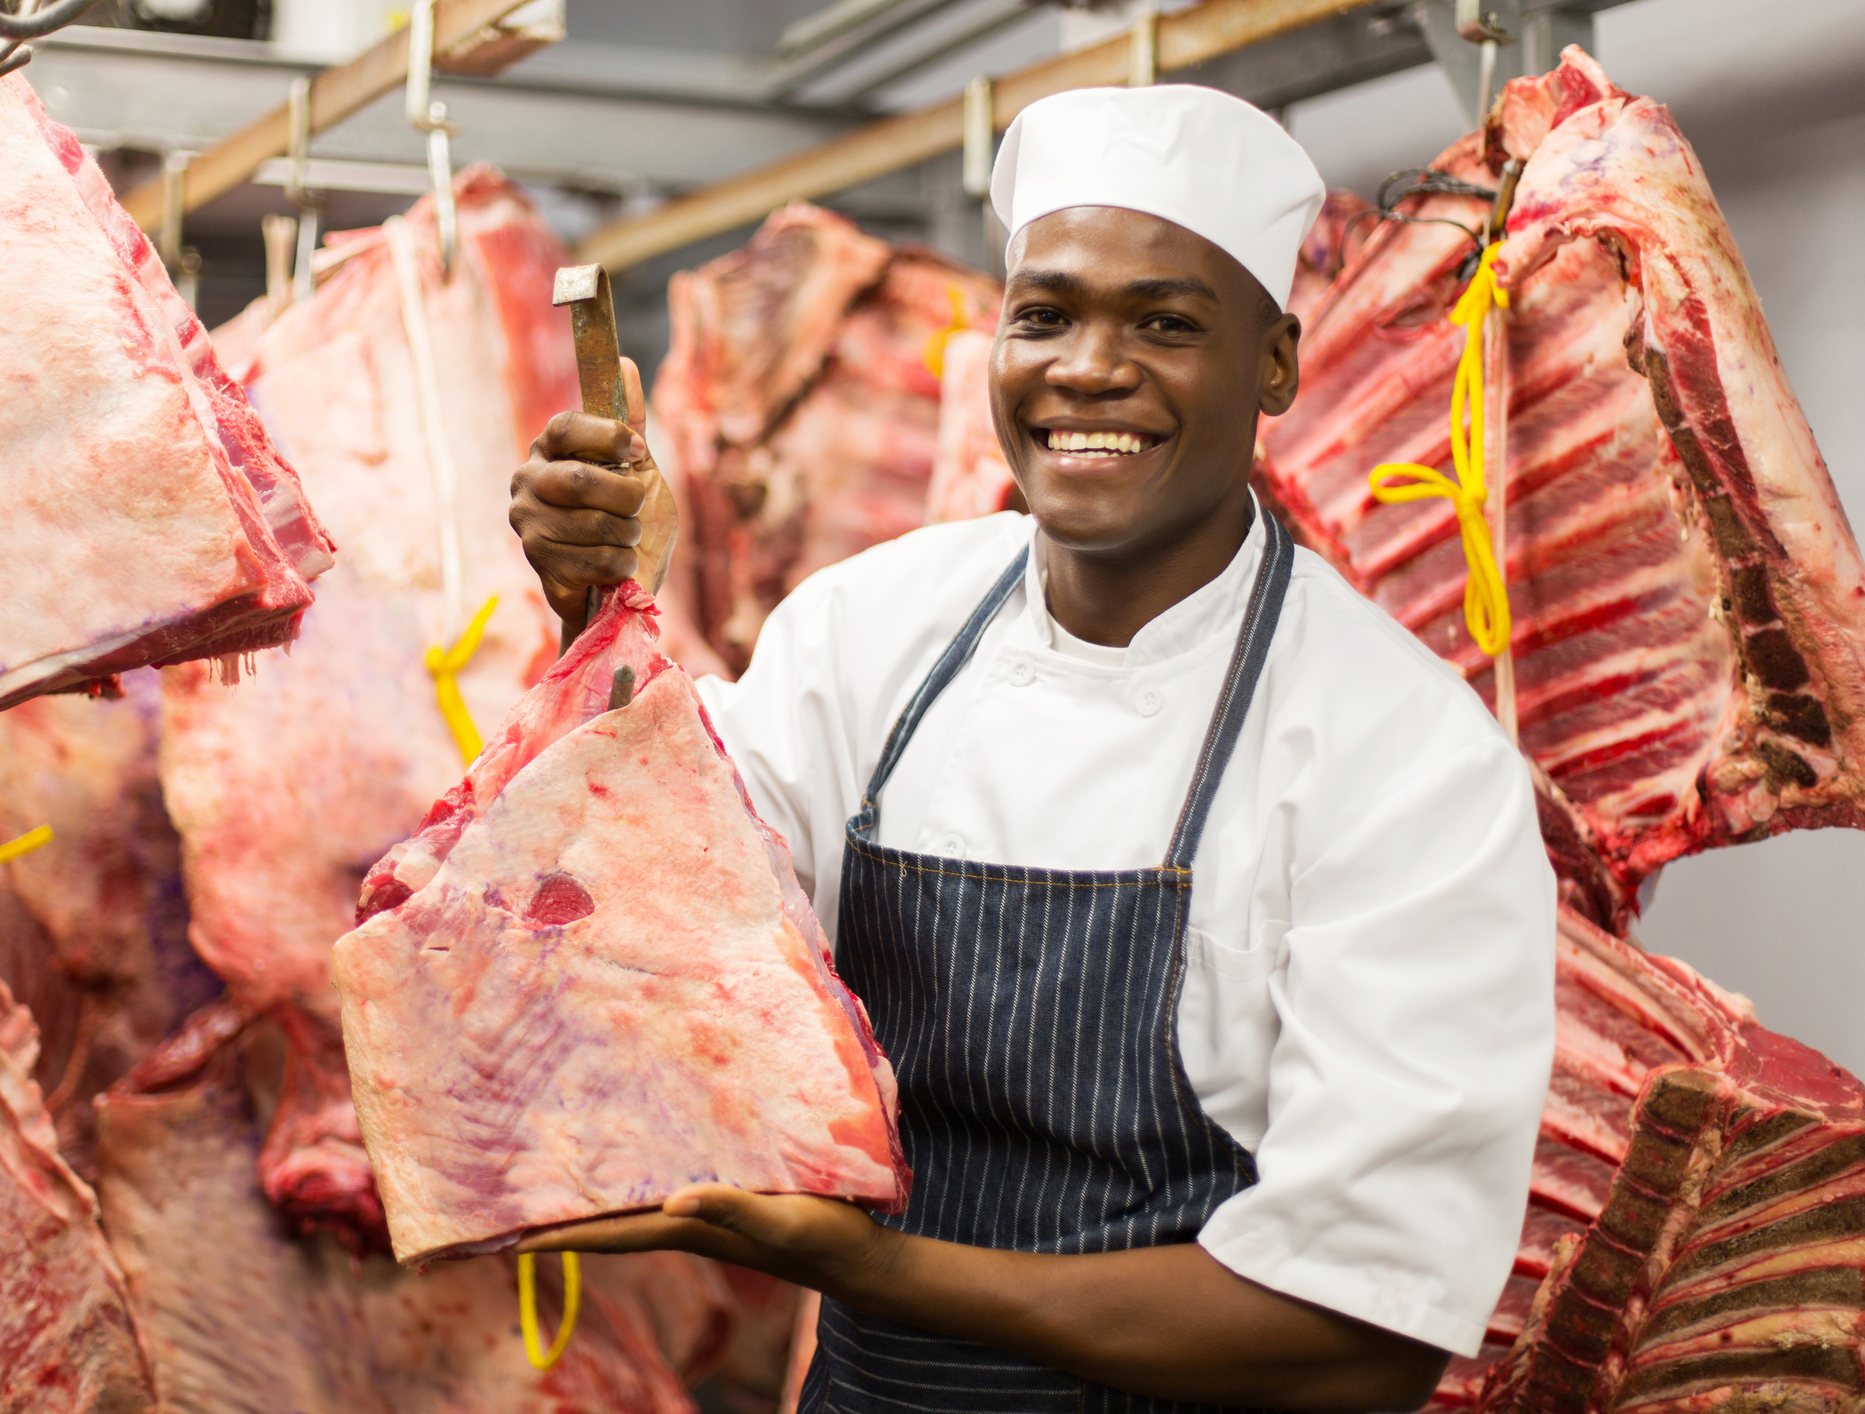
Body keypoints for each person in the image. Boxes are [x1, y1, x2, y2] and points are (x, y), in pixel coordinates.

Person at [507, 84, 1556, 1414]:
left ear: (1275, 364)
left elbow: (1359, 1335)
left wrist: (878, 1267)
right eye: (1044, 314)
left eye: (1164, 322)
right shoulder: (866, 627)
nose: (1086, 368)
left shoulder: (1401, 757)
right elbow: (662, 908)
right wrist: (594, 605)